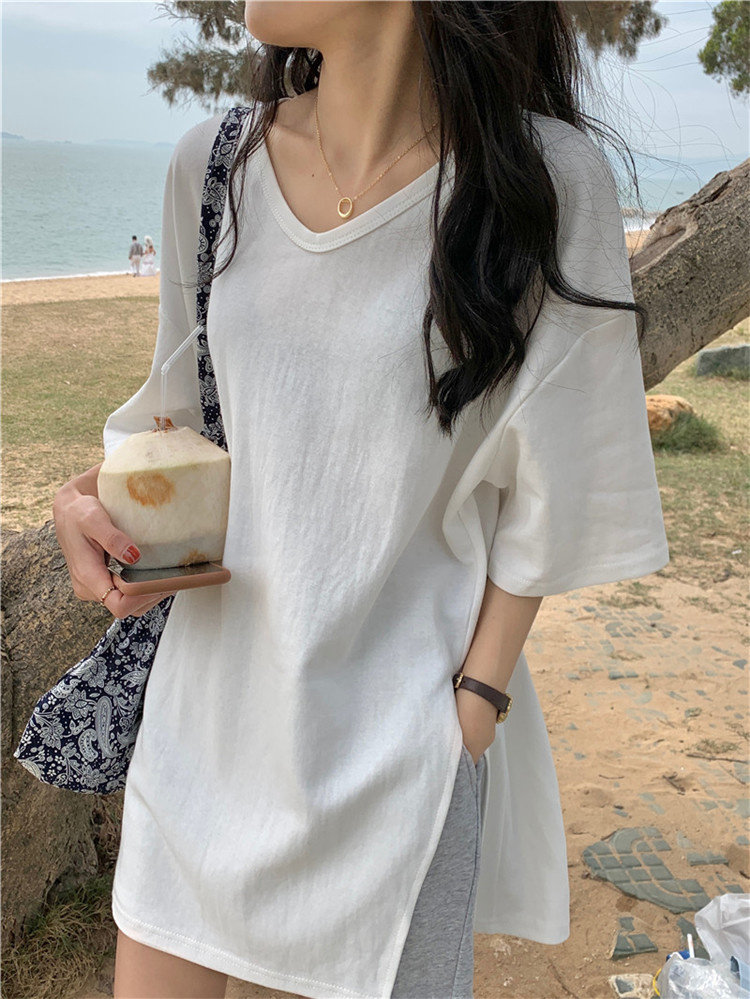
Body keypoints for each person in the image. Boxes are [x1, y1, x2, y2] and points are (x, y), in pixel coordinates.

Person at [51, 3, 670, 997]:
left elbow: (558, 491)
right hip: (203, 731)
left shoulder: (545, 183)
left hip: (392, 763)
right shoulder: (212, 166)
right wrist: (93, 504)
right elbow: (180, 421)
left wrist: (474, 710)